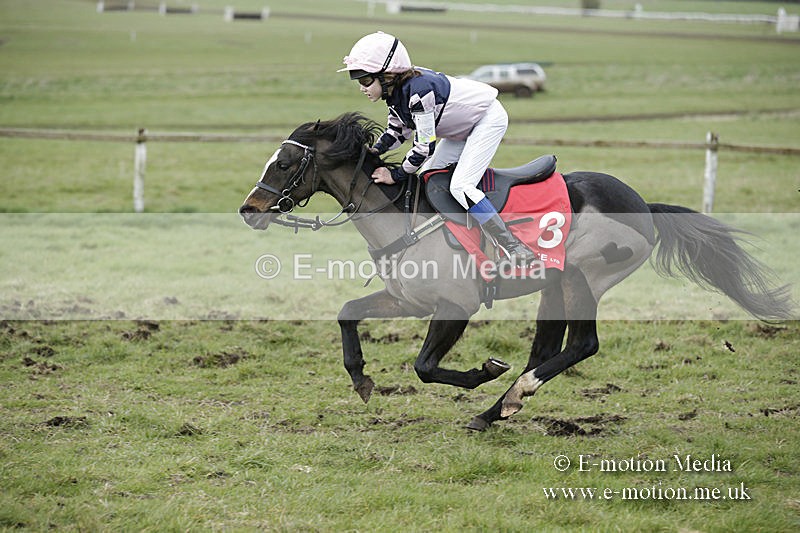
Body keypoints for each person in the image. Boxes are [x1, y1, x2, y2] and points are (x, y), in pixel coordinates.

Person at [338, 31, 536, 265]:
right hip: (461, 128)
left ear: (387, 76)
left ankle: (513, 246)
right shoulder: (396, 94)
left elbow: (424, 147)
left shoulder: (418, 91)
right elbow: (396, 132)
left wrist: (396, 174)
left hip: (486, 119)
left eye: (365, 80)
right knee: (427, 178)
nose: (362, 87)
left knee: (461, 186)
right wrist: (371, 153)